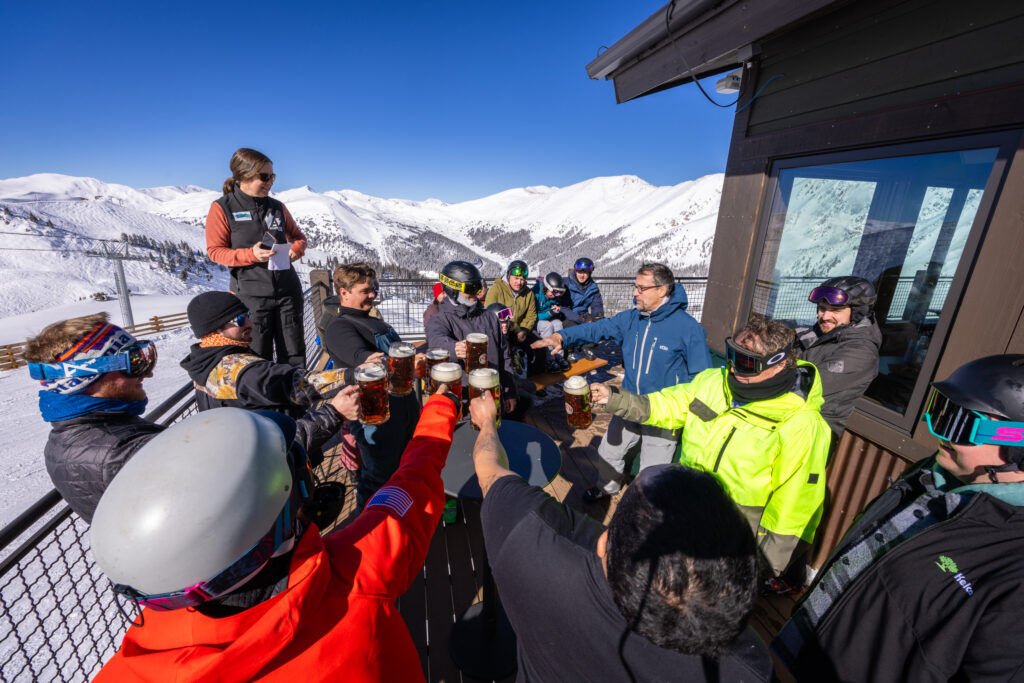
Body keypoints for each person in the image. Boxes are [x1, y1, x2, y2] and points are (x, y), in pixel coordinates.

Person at [92, 385, 462, 682]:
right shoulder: (357, 574)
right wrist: (442, 404)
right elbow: (415, 477)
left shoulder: (126, 667)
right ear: (293, 500)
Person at [465, 394, 772, 681]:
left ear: (602, 544)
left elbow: (489, 469)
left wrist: (488, 421)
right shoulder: (747, 668)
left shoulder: (529, 542)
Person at [774, 355, 1024, 680]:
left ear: (1016, 443)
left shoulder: (1012, 562)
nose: (939, 431)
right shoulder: (929, 473)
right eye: (941, 410)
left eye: (960, 423)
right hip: (801, 648)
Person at [590, 314, 831, 579]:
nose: (733, 368)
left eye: (746, 362)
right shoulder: (713, 381)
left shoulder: (801, 423)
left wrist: (763, 566)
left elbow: (795, 505)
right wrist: (614, 399)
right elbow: (667, 404)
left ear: (779, 364)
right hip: (684, 508)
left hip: (733, 529)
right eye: (731, 354)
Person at [533, 263, 711, 502]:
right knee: (608, 452)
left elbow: (703, 379)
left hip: (663, 412)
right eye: (634, 287)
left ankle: (645, 512)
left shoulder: (688, 329)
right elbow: (597, 328)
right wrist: (561, 336)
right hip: (627, 401)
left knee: (653, 472)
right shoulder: (631, 318)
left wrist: (697, 418)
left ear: (662, 290)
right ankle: (607, 488)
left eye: (641, 288)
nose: (634, 293)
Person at [324, 263, 425, 508]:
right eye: (365, 291)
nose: (373, 295)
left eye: (374, 288)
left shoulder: (371, 321)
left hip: (403, 406)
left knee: (408, 466)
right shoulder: (339, 328)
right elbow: (369, 361)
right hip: (376, 417)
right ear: (344, 292)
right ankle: (368, 529)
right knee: (379, 478)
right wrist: (405, 363)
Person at [205, 147, 308, 367]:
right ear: (244, 176)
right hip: (251, 297)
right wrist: (250, 254)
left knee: (294, 354)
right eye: (264, 176)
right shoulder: (223, 208)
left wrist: (295, 250)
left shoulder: (277, 207)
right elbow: (215, 251)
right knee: (257, 356)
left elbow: (298, 237)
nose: (270, 181)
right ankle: (265, 401)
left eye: (272, 176)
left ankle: (297, 398)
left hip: (288, 292)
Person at [794, 276, 881, 439]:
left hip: (813, 432)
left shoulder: (861, 352)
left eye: (836, 310)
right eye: (822, 308)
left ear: (856, 313)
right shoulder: (823, 333)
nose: (825, 316)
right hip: (791, 421)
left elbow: (805, 386)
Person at [426, 260, 518, 412]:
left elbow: (504, 356)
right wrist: (453, 348)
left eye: (479, 286)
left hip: (493, 396)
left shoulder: (490, 317)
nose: (477, 292)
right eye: (471, 288)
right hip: (466, 399)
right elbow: (436, 341)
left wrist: (510, 391)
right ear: (452, 290)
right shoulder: (440, 320)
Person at [484, 259, 537, 348]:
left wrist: (523, 329)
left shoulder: (528, 294)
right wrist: (510, 326)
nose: (519, 282)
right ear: (508, 276)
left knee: (537, 342)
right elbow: (489, 312)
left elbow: (531, 315)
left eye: (522, 279)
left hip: (519, 329)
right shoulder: (497, 289)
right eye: (516, 278)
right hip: (501, 329)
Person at [531, 272, 577, 372]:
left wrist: (556, 310)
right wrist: (549, 313)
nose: (556, 295)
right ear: (546, 288)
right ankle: (549, 359)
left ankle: (559, 356)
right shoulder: (535, 294)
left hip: (548, 318)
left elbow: (554, 308)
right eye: (555, 292)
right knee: (547, 326)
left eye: (559, 292)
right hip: (537, 321)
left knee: (558, 323)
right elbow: (533, 315)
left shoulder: (553, 296)